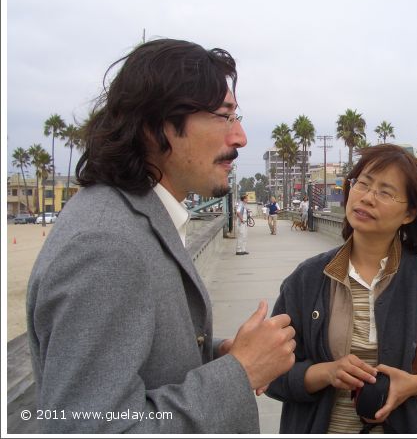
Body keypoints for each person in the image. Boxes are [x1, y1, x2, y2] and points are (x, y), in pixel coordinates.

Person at [25, 39, 296, 433]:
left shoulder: (132, 217)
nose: (240, 138)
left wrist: (214, 354)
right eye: (224, 116)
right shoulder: (106, 246)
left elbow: (141, 365)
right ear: (157, 126)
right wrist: (241, 372)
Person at [265, 144, 417, 433]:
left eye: (385, 192)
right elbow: (271, 373)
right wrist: (326, 373)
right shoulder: (307, 279)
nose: (367, 198)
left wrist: (413, 385)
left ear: (410, 213)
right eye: (362, 184)